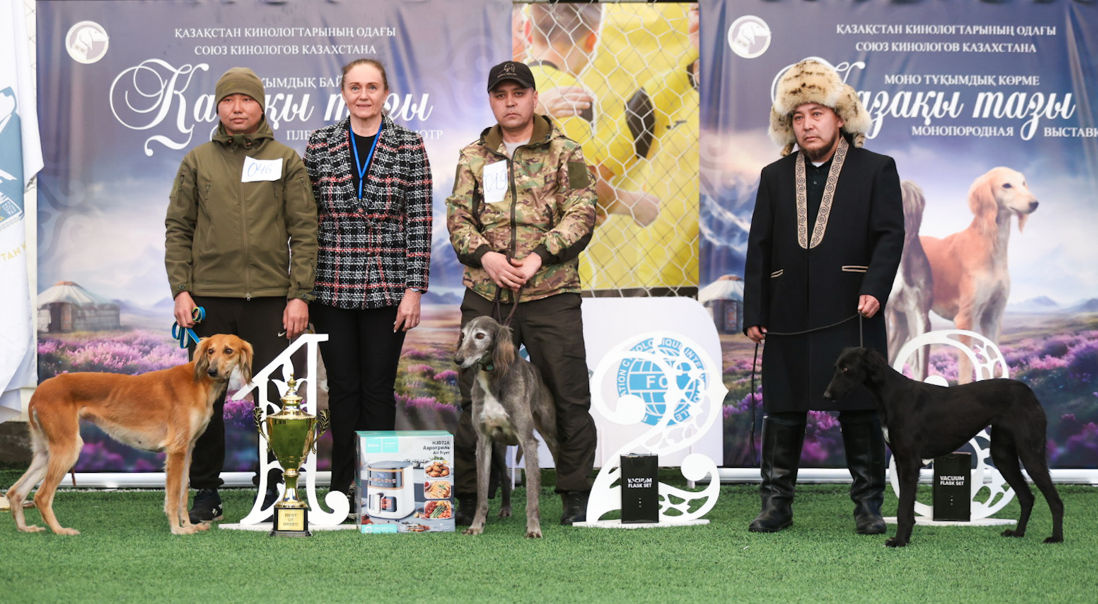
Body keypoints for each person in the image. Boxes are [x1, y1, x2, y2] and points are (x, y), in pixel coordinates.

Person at [742, 59, 904, 534]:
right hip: (787, 309)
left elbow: (890, 235)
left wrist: (875, 287)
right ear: (788, 125)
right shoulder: (774, 175)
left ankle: (869, 507)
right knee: (783, 405)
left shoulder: (876, 168)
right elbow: (759, 247)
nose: (807, 124)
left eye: (817, 113)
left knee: (861, 407)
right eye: (798, 116)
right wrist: (755, 310)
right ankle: (776, 505)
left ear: (840, 117)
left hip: (851, 308)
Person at [446, 61, 598, 526]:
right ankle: (471, 497)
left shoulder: (566, 152)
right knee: (473, 396)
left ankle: (574, 493)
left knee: (568, 396)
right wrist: (486, 257)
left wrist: (538, 257)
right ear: (491, 101)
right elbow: (457, 218)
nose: (510, 102)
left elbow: (582, 212)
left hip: (551, 293)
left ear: (533, 97)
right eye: (501, 95)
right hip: (487, 295)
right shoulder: (473, 156)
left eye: (518, 93)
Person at [165, 67, 318, 524]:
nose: (237, 108)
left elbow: (304, 230)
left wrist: (298, 294)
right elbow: (179, 229)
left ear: (261, 105)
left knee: (275, 397)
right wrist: (181, 290)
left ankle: (274, 486)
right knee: (203, 399)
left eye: (246, 99)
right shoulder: (197, 161)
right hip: (209, 300)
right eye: (228, 100)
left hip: (271, 298)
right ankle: (206, 490)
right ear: (217, 107)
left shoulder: (286, 159)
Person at [303, 59, 432, 505]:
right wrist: (300, 288)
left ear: (385, 93)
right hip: (331, 284)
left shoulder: (409, 145)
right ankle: (341, 489)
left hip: (388, 286)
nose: (363, 95)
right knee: (342, 390)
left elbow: (419, 220)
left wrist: (414, 289)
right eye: (355, 87)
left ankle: (378, 490)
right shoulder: (320, 143)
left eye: (372, 86)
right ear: (343, 93)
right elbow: (305, 218)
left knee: (378, 389)